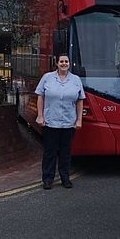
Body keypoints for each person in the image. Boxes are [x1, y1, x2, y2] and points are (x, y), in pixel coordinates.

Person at [35, 54, 85, 190]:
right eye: (61, 61)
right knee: (49, 152)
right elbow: (40, 96)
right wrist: (40, 116)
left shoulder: (76, 80)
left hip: (69, 122)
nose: (64, 63)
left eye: (66, 61)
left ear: (69, 63)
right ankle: (47, 179)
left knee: (65, 152)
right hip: (51, 122)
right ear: (56, 63)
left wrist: (79, 119)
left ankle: (65, 178)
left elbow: (80, 100)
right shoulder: (47, 78)